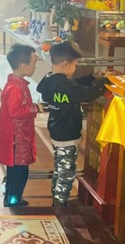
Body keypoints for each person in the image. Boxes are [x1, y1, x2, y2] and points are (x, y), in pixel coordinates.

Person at [36, 41, 110, 207]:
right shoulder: (66, 86)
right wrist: (104, 82)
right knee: (67, 172)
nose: (75, 68)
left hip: (56, 129)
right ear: (65, 64)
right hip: (67, 133)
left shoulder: (49, 80)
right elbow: (87, 93)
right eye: (75, 65)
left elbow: (75, 86)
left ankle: (56, 197)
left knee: (60, 167)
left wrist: (92, 77)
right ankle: (60, 205)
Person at [0, 43, 41, 207]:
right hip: (17, 140)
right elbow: (15, 111)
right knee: (19, 173)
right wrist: (35, 108)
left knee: (14, 172)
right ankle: (13, 202)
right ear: (23, 66)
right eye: (34, 64)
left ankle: (10, 199)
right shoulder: (16, 87)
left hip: (18, 137)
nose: (35, 68)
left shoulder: (15, 84)